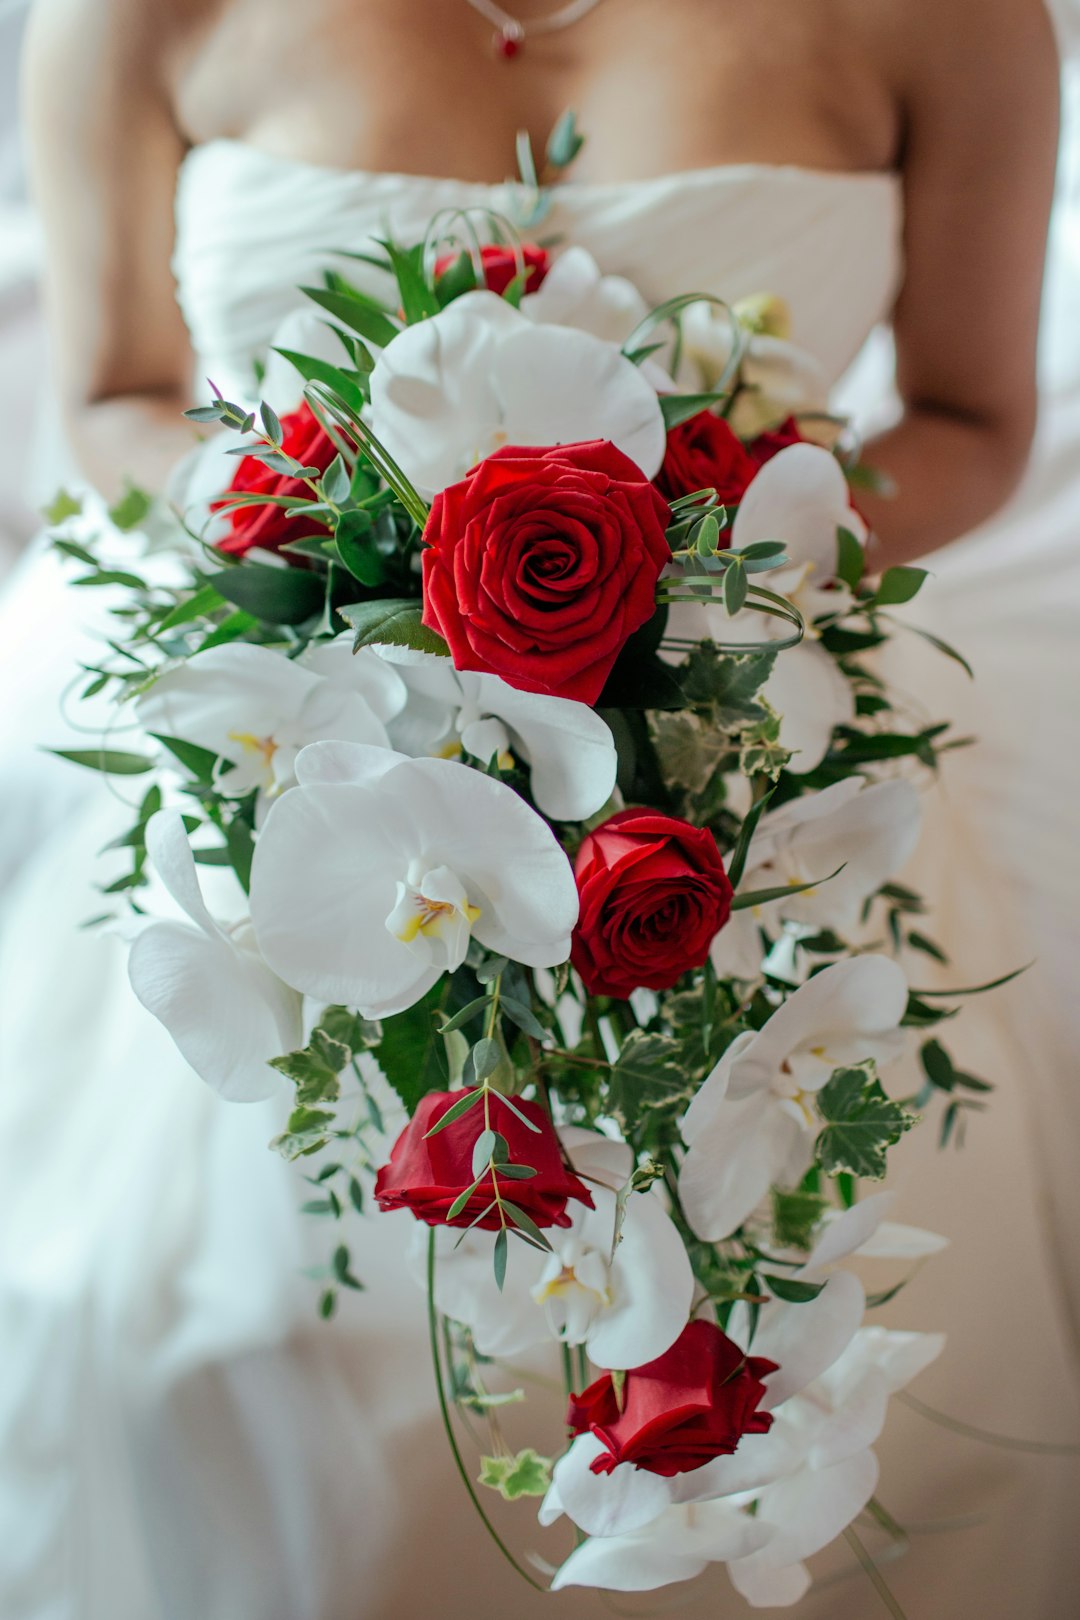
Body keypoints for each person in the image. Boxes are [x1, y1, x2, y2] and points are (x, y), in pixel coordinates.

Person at [0, 0, 1077, 1614]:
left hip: (758, 743)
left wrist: (687, 587)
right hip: (310, 741)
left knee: (825, 1311)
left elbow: (977, 424)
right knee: (256, 1373)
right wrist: (366, 569)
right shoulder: (131, 16)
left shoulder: (957, 19)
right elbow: (106, 399)